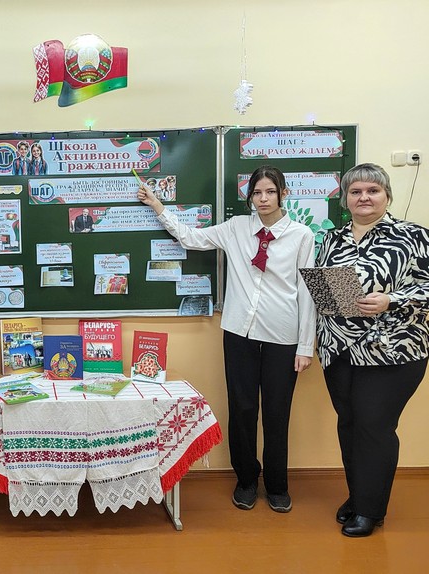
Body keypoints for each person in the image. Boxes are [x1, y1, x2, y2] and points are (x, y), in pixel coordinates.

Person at [138, 165, 316, 513]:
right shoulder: (236, 228)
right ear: (250, 197)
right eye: (257, 193)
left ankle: (277, 486)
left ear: (283, 194)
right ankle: (246, 480)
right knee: (242, 409)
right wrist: (158, 206)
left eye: (270, 192)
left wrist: (305, 346)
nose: (263, 199)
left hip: (283, 336)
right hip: (239, 333)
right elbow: (191, 238)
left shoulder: (301, 235)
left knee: (277, 413)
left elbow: (307, 292)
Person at [315, 163, 429, 537]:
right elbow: (328, 292)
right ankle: (359, 495)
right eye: (356, 191)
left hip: (393, 352)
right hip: (339, 351)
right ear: (345, 199)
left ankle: (370, 510)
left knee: (374, 427)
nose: (364, 197)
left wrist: (391, 299)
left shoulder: (414, 236)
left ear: (386, 196)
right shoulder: (331, 239)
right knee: (349, 425)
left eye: (372, 191)